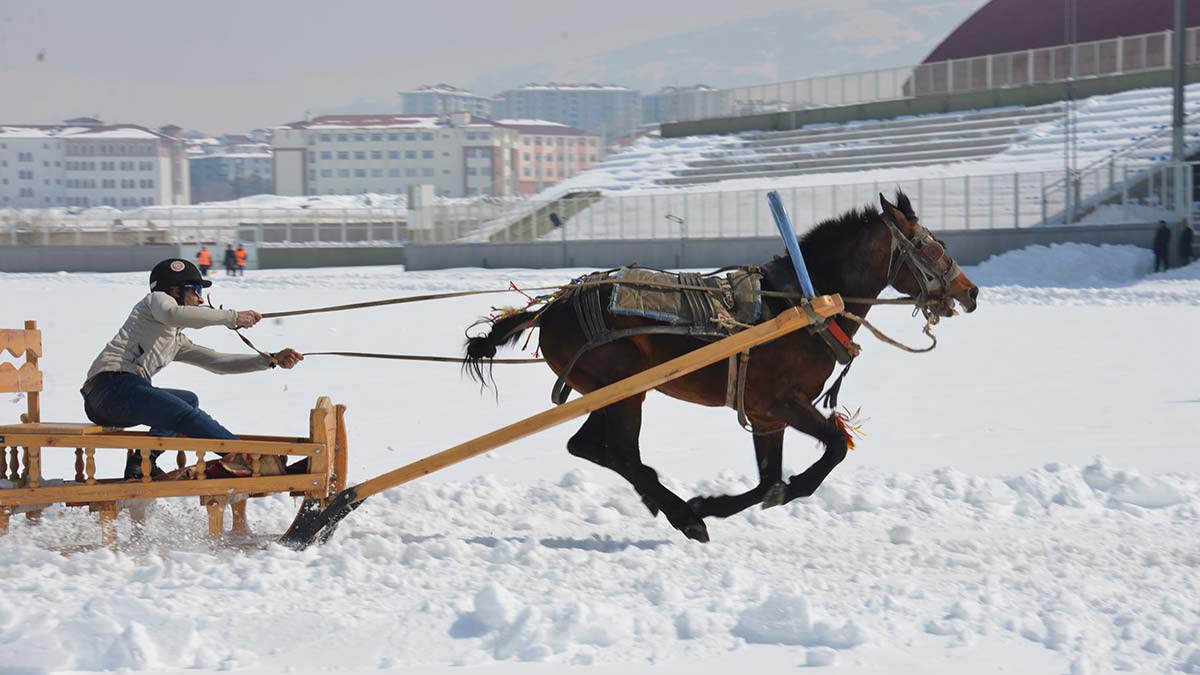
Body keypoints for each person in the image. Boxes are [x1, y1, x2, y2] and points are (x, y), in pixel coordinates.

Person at [80, 258, 303, 479]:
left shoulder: (175, 340)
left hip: (123, 397)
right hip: (109, 389)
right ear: (175, 291)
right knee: (179, 412)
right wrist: (232, 317)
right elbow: (172, 314)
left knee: (188, 400)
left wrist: (270, 359)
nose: (199, 300)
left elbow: (218, 363)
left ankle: (142, 461)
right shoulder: (155, 301)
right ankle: (244, 457)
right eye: (196, 291)